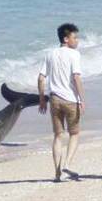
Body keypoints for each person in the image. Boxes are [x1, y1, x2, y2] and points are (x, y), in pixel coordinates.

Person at [38, 23, 85, 182]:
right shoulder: (74, 54)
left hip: (54, 100)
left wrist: (41, 99)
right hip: (70, 99)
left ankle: (57, 174)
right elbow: (76, 78)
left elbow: (41, 78)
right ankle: (67, 164)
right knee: (75, 133)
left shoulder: (50, 54)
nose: (77, 40)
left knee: (58, 135)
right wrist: (81, 99)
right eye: (74, 37)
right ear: (66, 39)